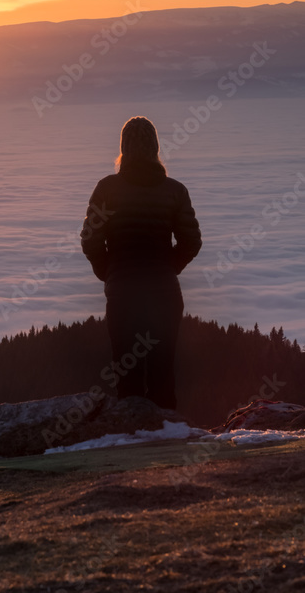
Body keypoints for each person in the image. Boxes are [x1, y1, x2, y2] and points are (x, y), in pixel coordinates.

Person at [80, 115, 201, 410]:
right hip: (165, 294)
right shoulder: (175, 191)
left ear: (124, 147)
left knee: (127, 376)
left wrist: (110, 272)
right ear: (156, 148)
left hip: (123, 295)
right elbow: (192, 242)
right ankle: (167, 440)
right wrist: (168, 268)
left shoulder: (107, 189)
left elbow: (90, 240)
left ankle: (130, 442)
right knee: (163, 375)